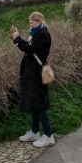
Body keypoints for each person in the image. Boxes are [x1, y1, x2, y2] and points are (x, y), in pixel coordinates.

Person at [12, 12, 54, 148]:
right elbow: (27, 49)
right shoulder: (35, 34)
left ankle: (48, 135)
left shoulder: (43, 35)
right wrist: (16, 39)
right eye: (30, 20)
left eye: (34, 20)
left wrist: (18, 38)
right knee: (35, 104)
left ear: (41, 21)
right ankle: (35, 132)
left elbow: (30, 49)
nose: (31, 22)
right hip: (32, 73)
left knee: (39, 104)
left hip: (37, 74)